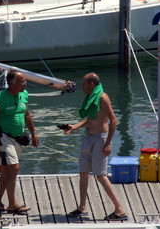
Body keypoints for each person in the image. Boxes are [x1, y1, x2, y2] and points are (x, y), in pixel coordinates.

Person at [62, 73, 128, 221]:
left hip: (100, 139)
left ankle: (119, 209)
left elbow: (113, 121)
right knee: (83, 173)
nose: (81, 86)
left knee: (101, 176)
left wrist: (108, 143)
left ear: (91, 84)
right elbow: (89, 120)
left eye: (84, 83)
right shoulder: (90, 99)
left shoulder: (102, 97)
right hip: (88, 138)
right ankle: (82, 208)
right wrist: (74, 127)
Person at [0, 69, 39, 215]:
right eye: (21, 82)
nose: (25, 84)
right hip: (3, 137)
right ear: (10, 84)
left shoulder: (24, 95)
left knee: (7, 170)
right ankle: (13, 204)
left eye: (24, 81)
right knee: (13, 168)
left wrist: (33, 133)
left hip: (18, 138)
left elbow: (27, 114)